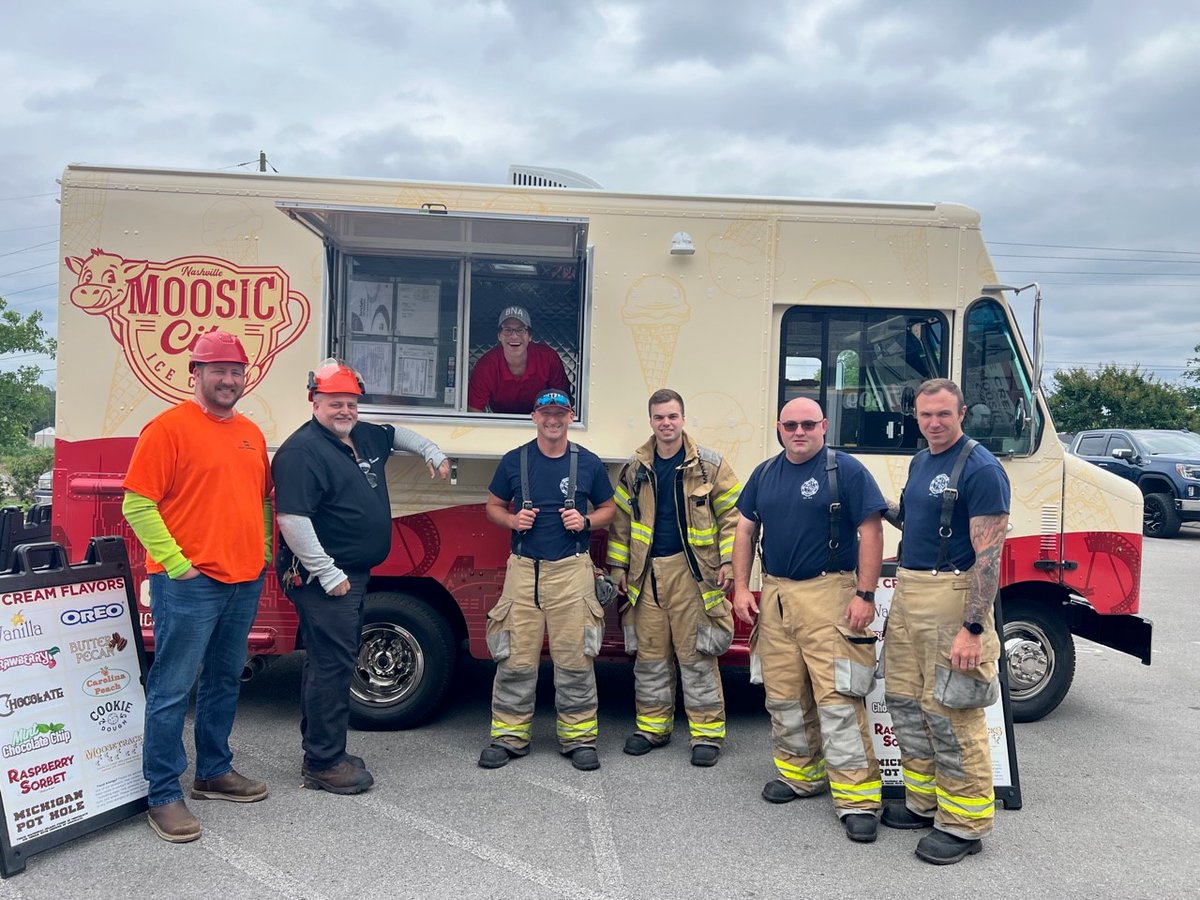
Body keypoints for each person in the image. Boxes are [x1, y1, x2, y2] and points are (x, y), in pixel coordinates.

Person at [122, 330, 272, 844]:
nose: (228, 379)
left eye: (236, 371)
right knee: (172, 688)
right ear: (196, 373)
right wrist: (177, 564)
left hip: (242, 579)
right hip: (189, 584)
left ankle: (213, 771)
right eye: (218, 370)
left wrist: (264, 552)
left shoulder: (251, 432)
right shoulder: (167, 430)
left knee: (226, 679)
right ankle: (162, 793)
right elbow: (137, 504)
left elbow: (262, 499)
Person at [272, 359, 449, 795]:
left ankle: (323, 748)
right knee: (333, 666)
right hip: (323, 579)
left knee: (325, 662)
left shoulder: (361, 434)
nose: (345, 410)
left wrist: (433, 452)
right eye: (336, 402)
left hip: (350, 574)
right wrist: (327, 572)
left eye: (351, 402)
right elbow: (293, 519)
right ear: (315, 400)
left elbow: (396, 434)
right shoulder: (302, 451)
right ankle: (323, 763)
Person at [731, 397, 886, 844]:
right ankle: (800, 775)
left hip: (830, 595)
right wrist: (743, 588)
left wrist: (865, 594)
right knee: (783, 697)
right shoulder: (764, 473)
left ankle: (858, 799)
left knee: (838, 700)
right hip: (777, 594)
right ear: (779, 428)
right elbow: (745, 529)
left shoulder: (846, 471)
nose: (799, 432)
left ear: (823, 426)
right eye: (790, 425)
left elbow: (871, 530)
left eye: (808, 424)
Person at [879, 378, 1010, 865]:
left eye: (943, 415)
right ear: (915, 415)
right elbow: (912, 520)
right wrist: (871, 506)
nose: (934, 423)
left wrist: (973, 627)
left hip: (953, 596)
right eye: (925, 415)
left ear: (963, 414)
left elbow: (989, 557)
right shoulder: (920, 460)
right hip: (911, 591)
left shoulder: (981, 469)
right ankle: (924, 802)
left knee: (952, 712)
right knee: (907, 704)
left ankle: (964, 824)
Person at [478, 389, 616, 771]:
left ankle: (579, 738)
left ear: (570, 416)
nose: (552, 420)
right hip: (523, 572)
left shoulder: (587, 463)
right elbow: (492, 506)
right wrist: (511, 520)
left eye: (559, 413)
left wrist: (586, 521)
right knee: (514, 658)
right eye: (545, 413)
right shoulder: (514, 461)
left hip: (572, 572)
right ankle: (508, 736)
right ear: (533, 417)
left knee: (575, 660)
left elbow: (609, 509)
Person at [607, 389, 741, 767]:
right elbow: (621, 525)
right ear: (651, 420)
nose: (666, 423)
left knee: (697, 655)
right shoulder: (635, 469)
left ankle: (707, 735)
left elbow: (734, 518)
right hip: (646, 574)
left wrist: (729, 563)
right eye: (659, 417)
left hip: (693, 574)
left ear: (683, 419)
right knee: (650, 657)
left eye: (672, 416)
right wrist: (618, 569)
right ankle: (652, 728)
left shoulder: (709, 466)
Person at [467, 306, 571, 414]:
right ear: (499, 336)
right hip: (500, 424)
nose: (514, 336)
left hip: (542, 423)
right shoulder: (486, 365)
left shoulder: (548, 358)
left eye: (520, 330)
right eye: (507, 330)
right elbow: (474, 410)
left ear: (530, 336)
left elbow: (563, 405)